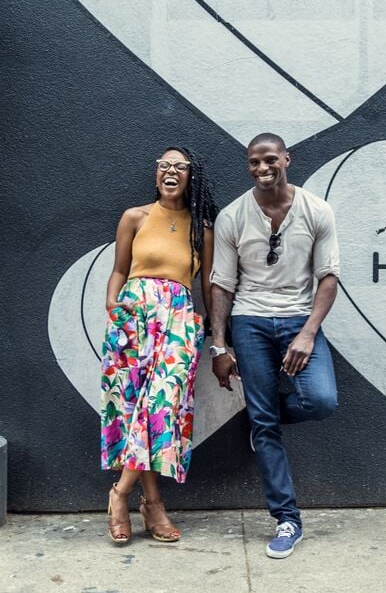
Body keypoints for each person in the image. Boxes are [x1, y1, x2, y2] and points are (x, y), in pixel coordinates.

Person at [209, 133, 340, 559]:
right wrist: (218, 346)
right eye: (253, 162)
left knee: (321, 401)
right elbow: (222, 285)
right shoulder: (233, 216)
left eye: (269, 160)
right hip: (250, 322)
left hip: (300, 320)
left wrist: (307, 333)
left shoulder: (316, 210)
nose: (262, 168)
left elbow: (328, 278)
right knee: (264, 424)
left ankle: (263, 423)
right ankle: (288, 519)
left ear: (286, 159)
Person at [101, 146, 217, 545]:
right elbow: (119, 269)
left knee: (160, 407)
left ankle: (119, 494)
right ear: (156, 176)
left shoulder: (201, 229)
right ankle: (153, 503)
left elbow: (206, 288)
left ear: (191, 176)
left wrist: (217, 338)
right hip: (132, 321)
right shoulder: (135, 217)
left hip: (180, 322)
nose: (171, 171)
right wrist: (112, 305)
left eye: (179, 167)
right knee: (137, 410)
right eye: (163, 166)